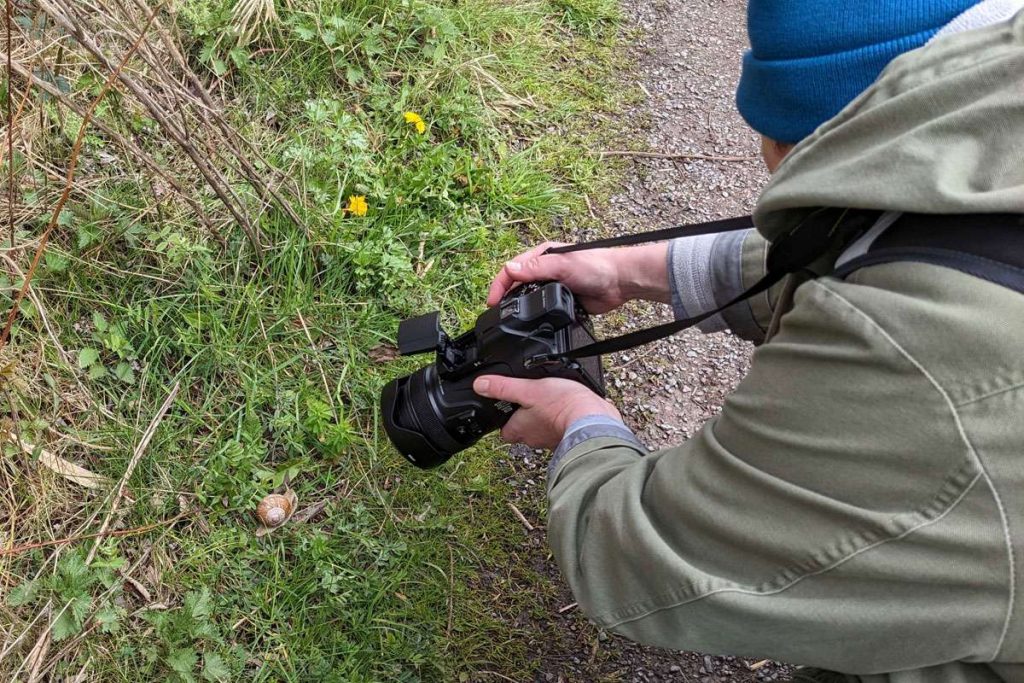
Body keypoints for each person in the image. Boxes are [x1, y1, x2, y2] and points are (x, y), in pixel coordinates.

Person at [473, 1, 1024, 680]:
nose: (766, 163)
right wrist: (633, 270)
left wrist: (580, 420)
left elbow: (643, 560)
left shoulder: (927, 369)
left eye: (783, 150)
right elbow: (918, 242)